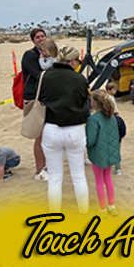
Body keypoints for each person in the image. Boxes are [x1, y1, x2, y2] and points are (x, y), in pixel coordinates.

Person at [38, 46, 90, 213]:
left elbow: (40, 99)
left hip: (51, 128)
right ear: (73, 61)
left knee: (54, 179)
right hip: (74, 129)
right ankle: (84, 213)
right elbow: (84, 102)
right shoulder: (80, 79)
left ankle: (55, 215)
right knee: (78, 176)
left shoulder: (44, 76)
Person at [86, 89, 122, 216]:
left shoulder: (93, 119)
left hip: (98, 154)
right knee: (108, 179)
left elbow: (91, 140)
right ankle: (111, 205)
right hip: (109, 152)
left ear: (95, 103)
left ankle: (102, 208)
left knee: (99, 181)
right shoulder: (112, 117)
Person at [22, 27, 48, 181]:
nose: (41, 39)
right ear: (33, 40)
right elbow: (39, 75)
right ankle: (40, 170)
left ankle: (46, 166)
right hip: (34, 98)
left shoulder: (49, 54)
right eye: (37, 37)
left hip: (46, 98)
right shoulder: (29, 55)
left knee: (48, 135)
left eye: (43, 36)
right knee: (39, 136)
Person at [105, 81, 126, 176]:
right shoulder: (111, 99)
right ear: (109, 90)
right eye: (114, 90)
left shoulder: (105, 99)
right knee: (116, 147)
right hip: (114, 123)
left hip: (108, 123)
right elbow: (115, 111)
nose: (115, 91)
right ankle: (118, 168)